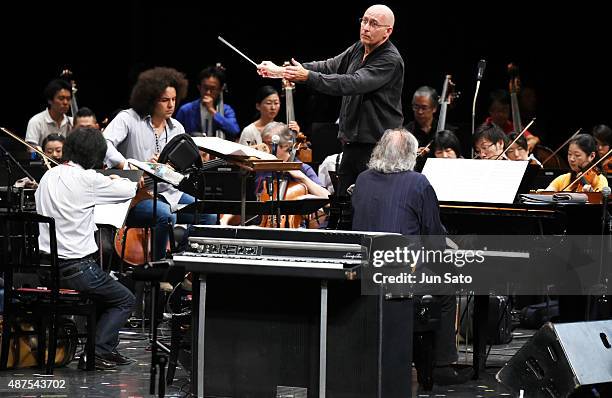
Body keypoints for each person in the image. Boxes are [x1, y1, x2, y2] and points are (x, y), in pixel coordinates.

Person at [351, 128, 472, 386]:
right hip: (403, 273)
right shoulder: (418, 183)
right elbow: (434, 239)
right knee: (448, 287)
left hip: (366, 270)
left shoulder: (362, 179)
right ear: (410, 155)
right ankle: (441, 365)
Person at [257, 4, 404, 196]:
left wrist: (306, 76)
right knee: (343, 206)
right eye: (364, 21)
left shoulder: (390, 59)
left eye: (374, 24)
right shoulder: (359, 48)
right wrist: (284, 71)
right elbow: (329, 66)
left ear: (388, 31)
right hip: (352, 144)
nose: (366, 27)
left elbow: (352, 83)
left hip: (377, 147)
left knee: (370, 205)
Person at [35, 127, 137, 370]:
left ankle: (106, 349)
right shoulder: (88, 179)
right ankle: (98, 352)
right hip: (77, 270)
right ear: (95, 155)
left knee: (106, 293)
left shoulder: (48, 176)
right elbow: (129, 189)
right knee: (125, 299)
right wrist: (115, 177)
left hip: (46, 268)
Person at [103, 67, 215, 260]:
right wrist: (128, 165)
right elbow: (104, 143)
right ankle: (158, 268)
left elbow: (184, 169)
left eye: (173, 99)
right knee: (165, 215)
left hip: (168, 193)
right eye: (164, 100)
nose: (171, 105)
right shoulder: (128, 118)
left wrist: (172, 169)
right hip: (136, 195)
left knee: (208, 214)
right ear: (149, 98)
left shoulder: (177, 127)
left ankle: (182, 261)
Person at [175, 65, 240, 140]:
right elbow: (177, 135)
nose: (208, 92)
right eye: (205, 88)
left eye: (213, 89)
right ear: (199, 87)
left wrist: (212, 111)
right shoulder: (186, 109)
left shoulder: (226, 110)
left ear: (220, 89)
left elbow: (234, 130)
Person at [25, 79, 73, 148]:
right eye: (61, 98)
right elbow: (31, 151)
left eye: (68, 99)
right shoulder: (36, 121)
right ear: (50, 100)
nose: (65, 102)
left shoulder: (72, 122)